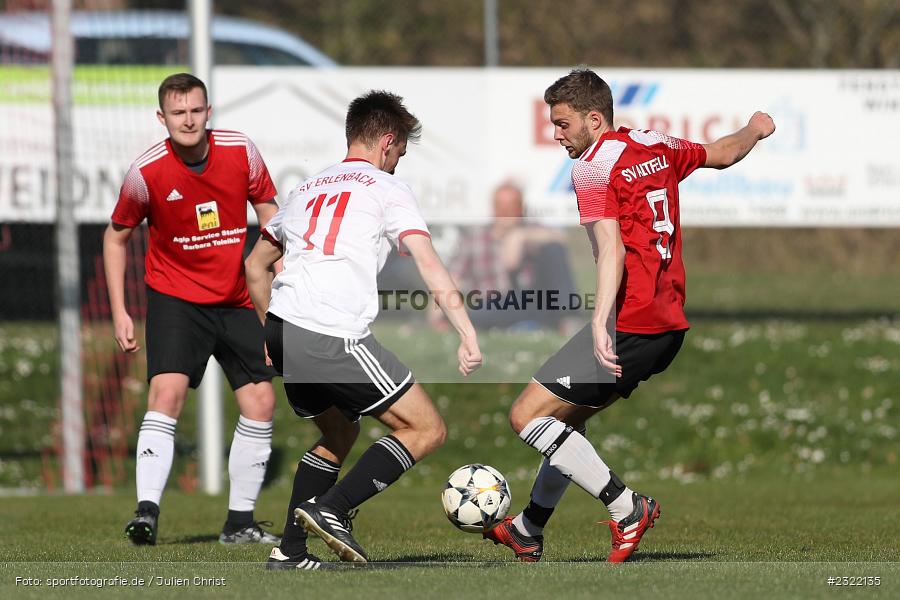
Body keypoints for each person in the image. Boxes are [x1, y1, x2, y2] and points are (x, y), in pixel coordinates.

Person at [484, 68, 775, 563]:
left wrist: (599, 323)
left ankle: (627, 508)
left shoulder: (593, 166)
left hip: (632, 322)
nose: (556, 135)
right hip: (667, 327)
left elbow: (610, 248)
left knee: (527, 415)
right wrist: (755, 128)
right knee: (566, 421)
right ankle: (529, 528)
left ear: (594, 120)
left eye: (562, 124)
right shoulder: (654, 144)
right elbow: (723, 154)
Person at [244, 90, 482, 569]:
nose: (397, 165)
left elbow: (255, 265)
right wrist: (467, 331)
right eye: (399, 155)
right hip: (332, 334)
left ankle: (289, 552)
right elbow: (427, 261)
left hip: (286, 329)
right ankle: (331, 508)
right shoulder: (386, 187)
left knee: (338, 431)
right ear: (387, 143)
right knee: (427, 428)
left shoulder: (306, 187)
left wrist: (272, 333)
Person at [104, 73, 281, 546]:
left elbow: (268, 209)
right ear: (162, 118)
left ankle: (239, 524)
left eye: (196, 110)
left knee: (262, 401)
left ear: (209, 111)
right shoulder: (147, 173)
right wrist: (120, 310)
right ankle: (146, 512)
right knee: (167, 395)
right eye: (178, 112)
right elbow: (116, 236)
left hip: (239, 296)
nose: (188, 120)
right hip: (176, 298)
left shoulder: (240, 150)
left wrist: (273, 272)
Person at [438, 181, 578, 332]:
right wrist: (439, 312)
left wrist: (520, 236)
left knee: (553, 250)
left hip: (530, 299)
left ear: (520, 208)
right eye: (500, 206)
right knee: (481, 313)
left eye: (511, 206)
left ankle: (567, 317)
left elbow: (560, 239)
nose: (505, 212)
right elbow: (453, 278)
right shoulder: (475, 238)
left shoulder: (530, 229)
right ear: (493, 207)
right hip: (493, 303)